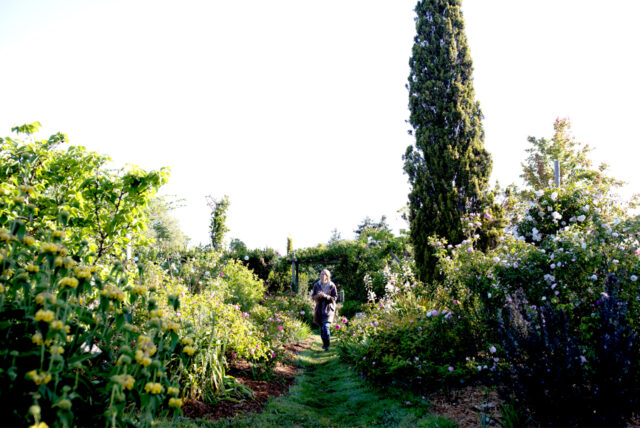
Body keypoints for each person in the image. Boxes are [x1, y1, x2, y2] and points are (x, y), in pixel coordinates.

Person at [312, 268, 337, 351]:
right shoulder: (316, 285)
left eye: (324, 274)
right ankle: (324, 343)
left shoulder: (332, 285)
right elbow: (313, 297)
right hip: (319, 309)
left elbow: (334, 298)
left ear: (327, 276)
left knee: (326, 327)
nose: (322, 276)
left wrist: (325, 296)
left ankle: (327, 346)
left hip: (328, 309)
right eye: (321, 274)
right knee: (322, 329)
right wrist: (318, 296)